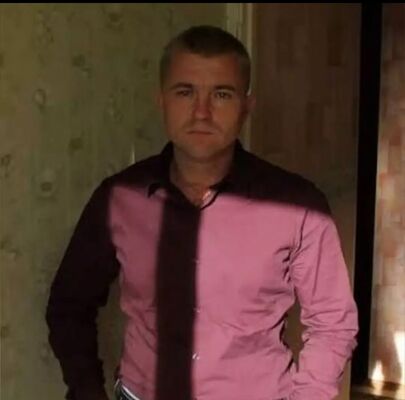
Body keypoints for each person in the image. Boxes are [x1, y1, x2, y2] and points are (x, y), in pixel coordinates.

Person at [46, 25, 358, 400]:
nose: (201, 112)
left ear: (246, 106)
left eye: (222, 94)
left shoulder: (299, 207)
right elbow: (69, 305)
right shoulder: (119, 199)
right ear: (162, 100)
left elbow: (333, 324)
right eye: (185, 92)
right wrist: (86, 391)